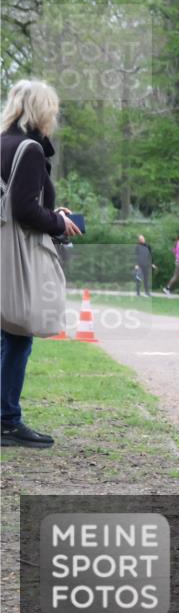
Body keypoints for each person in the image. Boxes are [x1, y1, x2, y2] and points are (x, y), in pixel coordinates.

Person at [1, 79, 82, 449]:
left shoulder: (3, 143)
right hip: (16, 254)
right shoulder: (30, 149)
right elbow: (24, 210)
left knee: (6, 333)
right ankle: (7, 420)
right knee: (19, 332)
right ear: (41, 110)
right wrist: (57, 221)